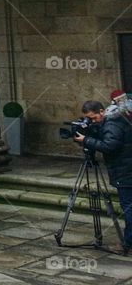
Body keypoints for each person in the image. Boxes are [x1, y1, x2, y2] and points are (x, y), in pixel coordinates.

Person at [75, 99, 132, 254]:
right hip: (126, 169)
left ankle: (127, 243)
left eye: (94, 118)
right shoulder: (115, 119)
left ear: (102, 111)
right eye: (89, 119)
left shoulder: (112, 123)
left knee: (128, 208)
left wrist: (86, 140)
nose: (93, 121)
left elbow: (109, 146)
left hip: (125, 172)